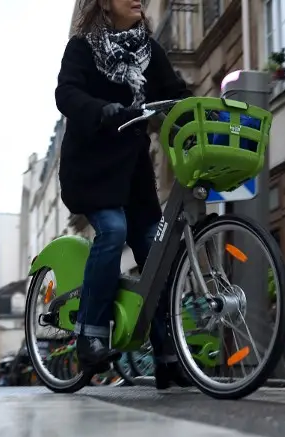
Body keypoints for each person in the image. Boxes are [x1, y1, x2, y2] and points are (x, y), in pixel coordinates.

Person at [55, 0, 192, 389]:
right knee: (113, 229)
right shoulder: (83, 47)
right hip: (91, 168)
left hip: (132, 174)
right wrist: (101, 110)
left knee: (156, 250)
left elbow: (176, 92)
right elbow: (66, 93)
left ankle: (167, 356)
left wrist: (200, 111)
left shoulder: (149, 51)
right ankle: (90, 334)